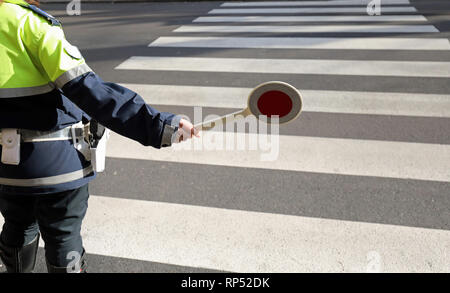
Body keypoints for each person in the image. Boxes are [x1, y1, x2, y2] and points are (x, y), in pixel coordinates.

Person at [0, 0, 199, 273]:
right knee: (63, 234)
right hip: (57, 165)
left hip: (5, 166)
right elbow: (90, 91)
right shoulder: (28, 24)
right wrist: (160, 126)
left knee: (17, 224)